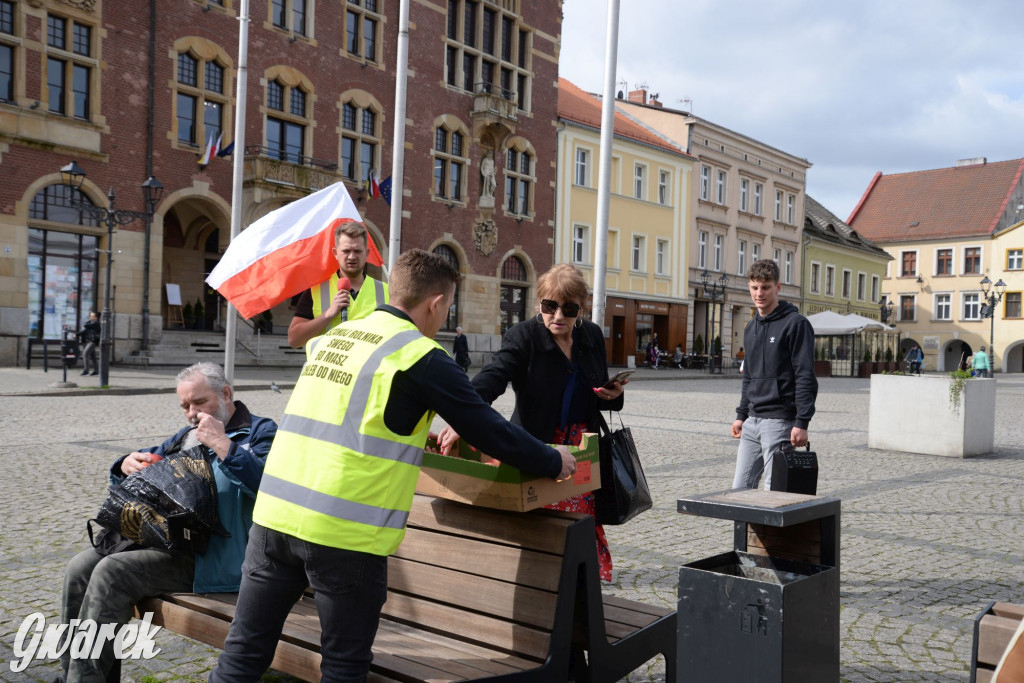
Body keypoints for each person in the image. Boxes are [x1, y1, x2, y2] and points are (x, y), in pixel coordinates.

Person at [209, 250, 576, 682]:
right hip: (344, 533)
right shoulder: (420, 355)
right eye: (447, 307)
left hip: (274, 517)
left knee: (244, 651)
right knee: (344, 665)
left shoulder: (335, 338)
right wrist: (553, 458)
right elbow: (489, 429)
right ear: (435, 303)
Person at [58, 362, 278, 683]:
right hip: (172, 543)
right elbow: (153, 460)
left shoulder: (261, 432)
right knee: (80, 567)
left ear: (226, 394)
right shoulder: (187, 436)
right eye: (185, 406)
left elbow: (269, 486)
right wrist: (125, 464)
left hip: (217, 559)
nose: (192, 413)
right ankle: (73, 676)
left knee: (112, 572)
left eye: (199, 402)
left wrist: (223, 444)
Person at [439, 264, 626, 582]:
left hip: (583, 450)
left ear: (581, 309)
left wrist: (613, 394)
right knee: (545, 530)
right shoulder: (524, 336)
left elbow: (599, 391)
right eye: (550, 306)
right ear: (539, 303)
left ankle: (577, 589)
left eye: (568, 309)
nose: (558, 316)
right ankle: (545, 588)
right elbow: (493, 376)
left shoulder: (591, 335)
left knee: (579, 524)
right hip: (540, 447)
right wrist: (464, 416)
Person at [730, 259, 818, 490]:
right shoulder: (750, 328)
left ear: (777, 288)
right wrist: (741, 415)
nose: (759, 293)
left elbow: (805, 376)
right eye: (754, 287)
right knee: (739, 489)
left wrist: (802, 422)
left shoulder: (796, 324)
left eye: (765, 287)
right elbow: (749, 377)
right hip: (752, 421)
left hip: (780, 422)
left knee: (775, 491)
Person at [288, 221, 389, 350]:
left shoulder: (386, 291)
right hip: (327, 363)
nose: (352, 257)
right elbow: (294, 340)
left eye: (357, 251)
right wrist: (328, 314)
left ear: (367, 253)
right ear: (335, 253)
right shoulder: (316, 291)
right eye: (346, 251)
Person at [77, 310, 100, 376]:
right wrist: (77, 334)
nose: (91, 317)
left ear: (96, 317)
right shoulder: (90, 323)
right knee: (93, 356)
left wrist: (86, 324)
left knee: (85, 354)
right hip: (88, 341)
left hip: (93, 341)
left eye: (92, 316)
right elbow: (84, 331)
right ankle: (96, 370)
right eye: (90, 316)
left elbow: (86, 326)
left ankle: (86, 370)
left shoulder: (96, 323)